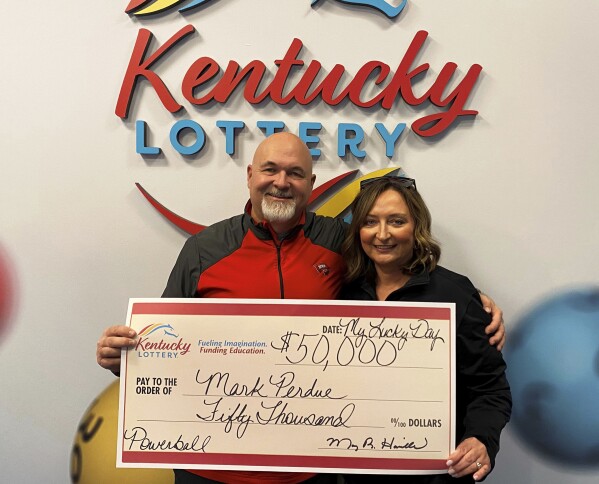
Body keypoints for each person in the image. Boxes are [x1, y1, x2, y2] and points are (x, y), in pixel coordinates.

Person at [96, 133, 506, 484]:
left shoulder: (340, 241)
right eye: (270, 169)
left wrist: (472, 301)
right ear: (250, 176)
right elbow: (167, 344)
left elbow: (396, 266)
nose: (281, 182)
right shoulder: (204, 249)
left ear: (311, 183)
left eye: (295, 173)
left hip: (311, 472)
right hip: (212, 467)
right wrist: (124, 357)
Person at [339, 176, 512, 483]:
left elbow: (491, 389)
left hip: (434, 474)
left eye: (396, 221)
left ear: (416, 226)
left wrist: (481, 439)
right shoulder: (343, 293)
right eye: (370, 222)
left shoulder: (455, 294)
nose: (382, 234)